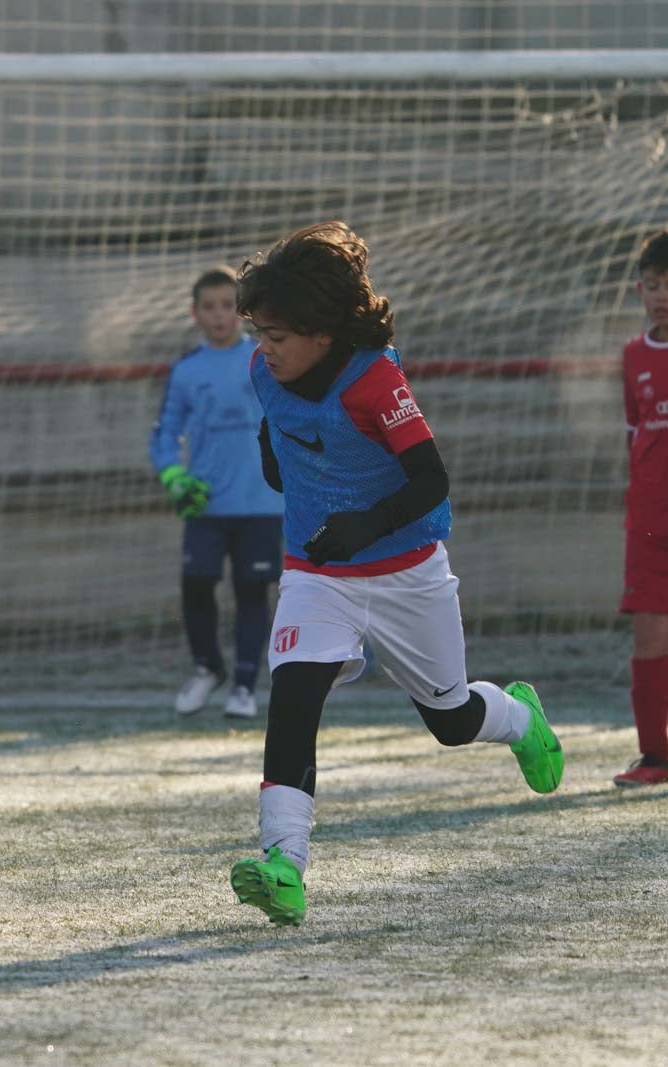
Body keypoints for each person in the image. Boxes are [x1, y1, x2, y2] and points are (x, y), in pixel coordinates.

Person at [224, 221, 564, 927]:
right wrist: (274, 452)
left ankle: (521, 716)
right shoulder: (264, 371)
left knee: (452, 720)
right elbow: (280, 435)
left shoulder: (376, 379)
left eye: (278, 335)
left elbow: (430, 480)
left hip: (409, 573)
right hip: (316, 573)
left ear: (322, 331)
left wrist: (365, 524)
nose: (265, 348)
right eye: (259, 332)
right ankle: (284, 865)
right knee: (292, 698)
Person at [149, 267, 284, 719]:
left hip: (262, 501)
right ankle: (208, 667)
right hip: (206, 504)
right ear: (196, 314)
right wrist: (175, 478)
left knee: (251, 591)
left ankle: (244, 686)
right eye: (210, 307)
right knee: (196, 586)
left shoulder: (266, 360)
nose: (220, 315)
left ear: (242, 312)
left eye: (228, 305)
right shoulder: (187, 371)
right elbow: (165, 434)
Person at [614, 228, 668, 787]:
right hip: (650, 523)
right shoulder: (633, 356)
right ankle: (655, 756)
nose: (662, 296)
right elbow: (636, 435)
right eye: (653, 285)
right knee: (650, 634)